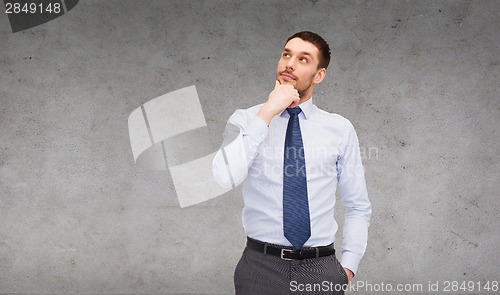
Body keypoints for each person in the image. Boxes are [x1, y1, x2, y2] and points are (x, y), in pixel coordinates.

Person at [213, 31, 371, 294]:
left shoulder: (340, 129)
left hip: (320, 268)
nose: (289, 63)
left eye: (303, 59)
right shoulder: (245, 120)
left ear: (319, 75)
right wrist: (267, 112)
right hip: (258, 268)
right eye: (286, 54)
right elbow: (223, 176)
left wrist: (349, 267)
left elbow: (357, 205)